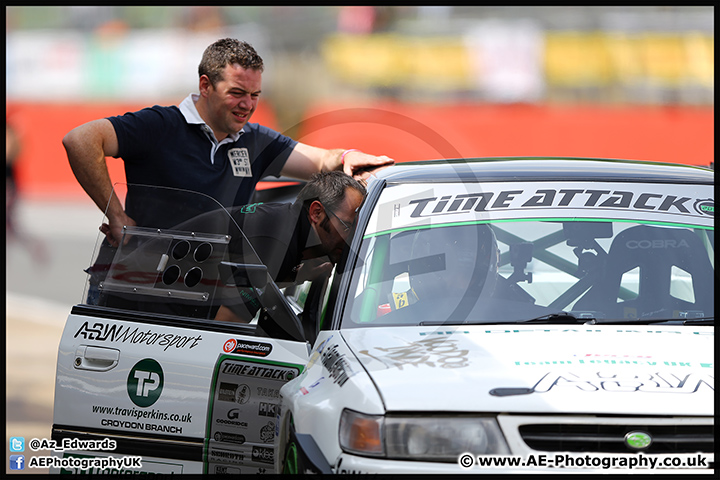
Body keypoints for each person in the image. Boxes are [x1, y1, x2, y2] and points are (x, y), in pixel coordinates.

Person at [62, 38, 393, 247]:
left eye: (254, 95)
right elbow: (79, 140)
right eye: (236, 93)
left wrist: (348, 157)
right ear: (205, 86)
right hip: (133, 285)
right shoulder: (160, 125)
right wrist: (116, 215)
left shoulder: (256, 140)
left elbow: (322, 161)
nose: (247, 104)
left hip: (208, 292)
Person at [215, 170, 366, 323]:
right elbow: (227, 326)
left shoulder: (287, 225)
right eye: (347, 226)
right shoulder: (276, 241)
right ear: (317, 212)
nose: (352, 239)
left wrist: (296, 276)